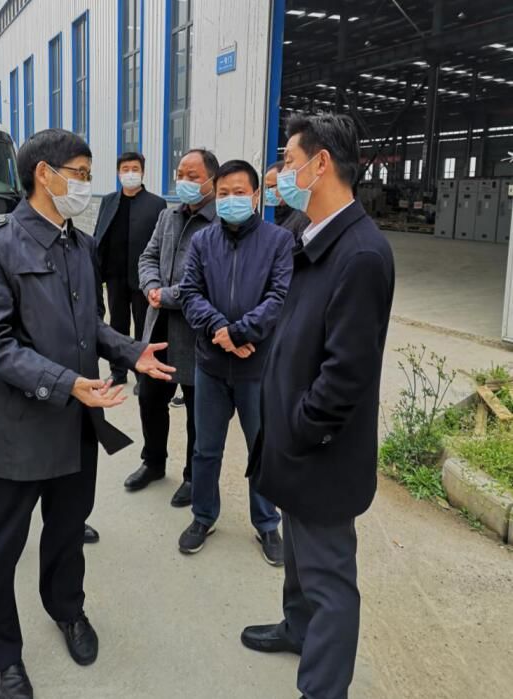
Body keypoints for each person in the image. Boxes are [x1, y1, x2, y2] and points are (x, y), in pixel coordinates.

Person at [0, 129, 174, 699]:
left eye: (87, 174)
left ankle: (67, 609)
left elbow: (90, 325)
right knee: (2, 544)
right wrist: (67, 383)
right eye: (79, 173)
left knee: (66, 530)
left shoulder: (78, 245)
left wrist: (130, 351)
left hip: (76, 420)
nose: (86, 184)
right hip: (18, 428)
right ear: (44, 174)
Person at [241, 114, 395, 699]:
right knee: (299, 557)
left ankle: (322, 689)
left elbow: (345, 374)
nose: (280, 173)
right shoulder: (312, 233)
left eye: (288, 160)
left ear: (321, 163)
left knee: (329, 577)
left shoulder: (360, 253)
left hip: (320, 452)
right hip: (293, 441)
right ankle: (296, 627)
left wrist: (300, 428)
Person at [178, 160, 293, 565]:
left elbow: (279, 297)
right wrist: (221, 330)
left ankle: (267, 523)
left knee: (261, 449)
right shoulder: (202, 241)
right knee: (205, 449)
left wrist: (242, 333)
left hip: (257, 368)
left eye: (239, 193)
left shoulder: (279, 241)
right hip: (211, 365)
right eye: (223, 193)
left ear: (256, 195)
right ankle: (203, 516)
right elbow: (190, 293)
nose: (231, 200)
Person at [129, 149, 220, 508]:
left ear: (212, 180)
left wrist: (164, 295)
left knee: (198, 412)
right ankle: (153, 462)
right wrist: (151, 285)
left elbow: (211, 280)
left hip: (197, 334)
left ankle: (193, 476)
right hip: (159, 329)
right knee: (150, 399)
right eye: (180, 173)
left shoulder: (219, 224)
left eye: (192, 176)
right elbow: (148, 256)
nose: (184, 181)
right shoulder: (168, 216)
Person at [94, 152, 167, 388]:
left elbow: (161, 244)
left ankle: (142, 374)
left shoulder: (156, 204)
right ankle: (118, 372)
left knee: (143, 326)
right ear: (118, 173)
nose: (130, 173)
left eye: (135, 169)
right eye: (125, 169)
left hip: (143, 278)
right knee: (117, 324)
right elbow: (99, 233)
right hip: (115, 275)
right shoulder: (109, 201)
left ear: (143, 172)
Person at [264, 160, 309, 240]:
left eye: (270, 186)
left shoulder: (303, 217)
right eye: (266, 187)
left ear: (285, 184)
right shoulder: (277, 213)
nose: (267, 191)